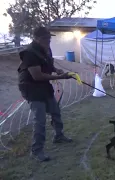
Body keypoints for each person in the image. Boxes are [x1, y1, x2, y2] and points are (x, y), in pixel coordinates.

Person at [18, 27, 73, 162]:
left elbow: (48, 63)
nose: (48, 40)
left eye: (49, 38)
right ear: (36, 38)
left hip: (44, 86)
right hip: (31, 88)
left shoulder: (46, 49)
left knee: (55, 111)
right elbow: (37, 76)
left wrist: (56, 70)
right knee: (40, 120)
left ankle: (58, 136)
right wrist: (61, 77)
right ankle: (37, 151)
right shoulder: (29, 53)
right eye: (45, 38)